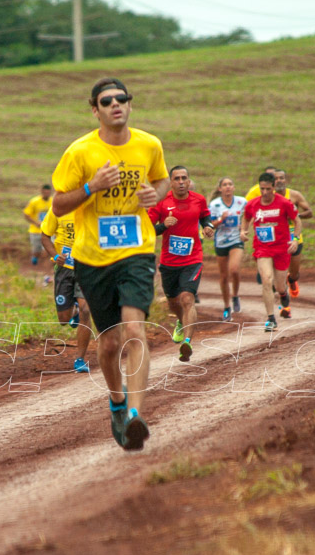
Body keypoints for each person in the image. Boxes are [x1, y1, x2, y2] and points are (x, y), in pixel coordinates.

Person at [51, 77, 168, 451]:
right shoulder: (80, 152)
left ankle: (135, 416)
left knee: (135, 330)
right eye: (107, 101)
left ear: (130, 104)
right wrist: (91, 187)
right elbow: (58, 205)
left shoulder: (149, 144)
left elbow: (162, 182)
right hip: (92, 257)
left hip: (136, 251)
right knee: (109, 342)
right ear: (95, 109)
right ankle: (117, 401)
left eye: (122, 99)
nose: (116, 104)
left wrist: (155, 194)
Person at [148, 165, 213, 361]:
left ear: (189, 181)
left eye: (184, 178)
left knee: (187, 298)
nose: (181, 182)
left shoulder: (198, 199)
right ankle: (180, 322)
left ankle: (186, 343)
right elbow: (148, 229)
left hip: (193, 258)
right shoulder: (162, 203)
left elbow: (205, 217)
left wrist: (208, 227)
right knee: (173, 302)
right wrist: (163, 225)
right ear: (170, 182)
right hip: (169, 261)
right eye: (177, 178)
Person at [241, 172, 301, 331]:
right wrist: (243, 231)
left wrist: (295, 239)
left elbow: (297, 220)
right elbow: (246, 218)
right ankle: (270, 318)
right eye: (262, 189)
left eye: (268, 189)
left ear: (274, 188)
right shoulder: (253, 204)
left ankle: (283, 294)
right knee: (266, 280)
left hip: (282, 248)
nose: (265, 192)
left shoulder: (284, 203)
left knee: (279, 285)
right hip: (262, 248)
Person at [40, 209, 93, 372]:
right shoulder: (58, 208)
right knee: (63, 319)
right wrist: (56, 256)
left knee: (86, 310)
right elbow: (44, 236)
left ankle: (80, 360)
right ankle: (74, 310)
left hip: (87, 267)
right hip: (64, 269)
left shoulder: (92, 206)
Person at [207, 177, 248, 322]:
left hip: (236, 240)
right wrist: (220, 220)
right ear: (220, 189)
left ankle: (235, 295)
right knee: (224, 276)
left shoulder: (241, 201)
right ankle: (226, 307)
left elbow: (249, 216)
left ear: (234, 187)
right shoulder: (215, 204)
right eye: (225, 185)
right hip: (221, 242)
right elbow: (210, 225)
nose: (228, 187)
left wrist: (244, 229)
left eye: (230, 184)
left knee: (234, 270)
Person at [274, 169, 314, 302]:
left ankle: (291, 280)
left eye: (281, 178)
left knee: (295, 272)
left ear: (285, 180)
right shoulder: (269, 197)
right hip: (277, 237)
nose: (279, 181)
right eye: (276, 178)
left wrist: (296, 216)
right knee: (278, 267)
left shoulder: (294, 195)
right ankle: (280, 292)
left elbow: (309, 212)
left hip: (294, 237)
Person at [24, 185, 54, 280]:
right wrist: (36, 223)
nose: (46, 194)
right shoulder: (34, 202)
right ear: (41, 191)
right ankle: (35, 257)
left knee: (47, 252)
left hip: (48, 231)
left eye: (48, 192)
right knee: (37, 251)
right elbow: (26, 214)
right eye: (45, 192)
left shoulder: (53, 201)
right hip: (35, 231)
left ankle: (47, 275)